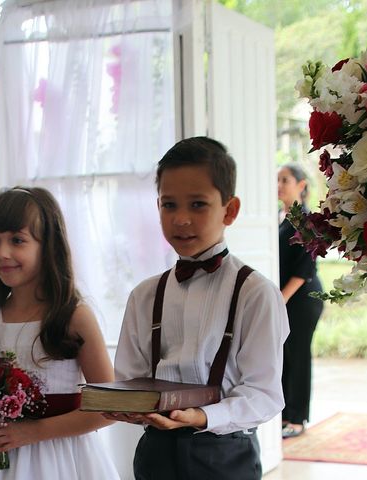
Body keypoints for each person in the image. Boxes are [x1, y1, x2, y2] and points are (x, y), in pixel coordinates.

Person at [109, 137, 289, 480]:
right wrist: (124, 405)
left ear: (230, 210)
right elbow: (130, 378)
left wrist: (204, 416)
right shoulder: (145, 295)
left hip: (224, 454)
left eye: (197, 205)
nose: (181, 219)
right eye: (169, 205)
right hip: (155, 454)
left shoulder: (255, 293)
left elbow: (263, 395)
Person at [0, 186, 119, 480]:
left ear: (48, 246)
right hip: (2, 460)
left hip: (65, 459)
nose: (2, 253)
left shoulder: (74, 315)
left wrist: (32, 431)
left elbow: (108, 407)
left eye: (17, 240)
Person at [277, 163, 324, 439]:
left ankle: (297, 418)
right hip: (284, 299)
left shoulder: (307, 220)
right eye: (278, 180)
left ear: (301, 185)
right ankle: (284, 414)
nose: (280, 185)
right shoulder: (281, 219)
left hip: (302, 299)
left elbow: (305, 268)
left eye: (285, 180)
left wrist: (280, 299)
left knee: (298, 355)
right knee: (283, 356)